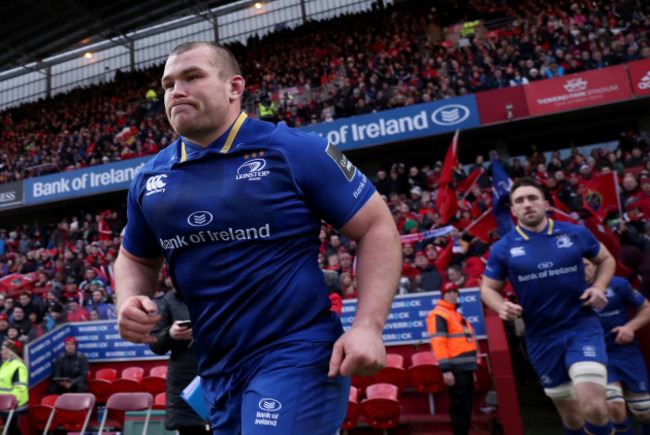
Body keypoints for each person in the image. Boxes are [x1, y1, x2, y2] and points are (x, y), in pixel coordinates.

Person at [114, 41, 401, 434]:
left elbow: (376, 226)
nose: (176, 91)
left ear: (234, 87)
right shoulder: (149, 178)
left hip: (296, 352)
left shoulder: (298, 151)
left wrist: (369, 326)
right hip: (215, 368)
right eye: (168, 84)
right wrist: (128, 299)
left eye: (192, 77)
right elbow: (135, 258)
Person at [480, 177, 617, 435]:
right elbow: (487, 288)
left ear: (545, 203)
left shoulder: (574, 232)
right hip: (541, 337)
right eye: (520, 200)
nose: (527, 204)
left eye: (532, 198)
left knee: (595, 408)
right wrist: (501, 306)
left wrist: (598, 287)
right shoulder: (503, 248)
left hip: (581, 326)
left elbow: (607, 259)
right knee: (572, 416)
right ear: (513, 210)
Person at [585, 258, 650, 435]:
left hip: (626, 352)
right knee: (615, 409)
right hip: (596, 357)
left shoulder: (618, 285)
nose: (582, 270)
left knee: (645, 413)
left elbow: (646, 309)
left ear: (597, 266)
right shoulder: (569, 291)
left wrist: (630, 327)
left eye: (586, 266)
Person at [149, 290, 210, 435]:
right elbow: (155, 343)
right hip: (186, 384)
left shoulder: (221, 291)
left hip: (221, 378)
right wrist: (170, 334)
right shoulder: (170, 300)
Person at [427, 282, 477, 435]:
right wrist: (446, 370)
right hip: (455, 370)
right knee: (459, 407)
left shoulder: (458, 315)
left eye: (455, 292)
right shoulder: (438, 315)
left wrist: (472, 368)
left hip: (466, 369)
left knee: (467, 406)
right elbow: (438, 343)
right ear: (443, 296)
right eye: (449, 292)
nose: (453, 295)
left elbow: (465, 343)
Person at [0, 340, 27, 435]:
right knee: (10, 427)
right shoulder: (4, 364)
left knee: (12, 427)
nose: (1, 352)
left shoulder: (18, 366)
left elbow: (20, 387)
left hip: (14, 404)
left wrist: (12, 402)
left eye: (3, 350)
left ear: (10, 351)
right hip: (3, 403)